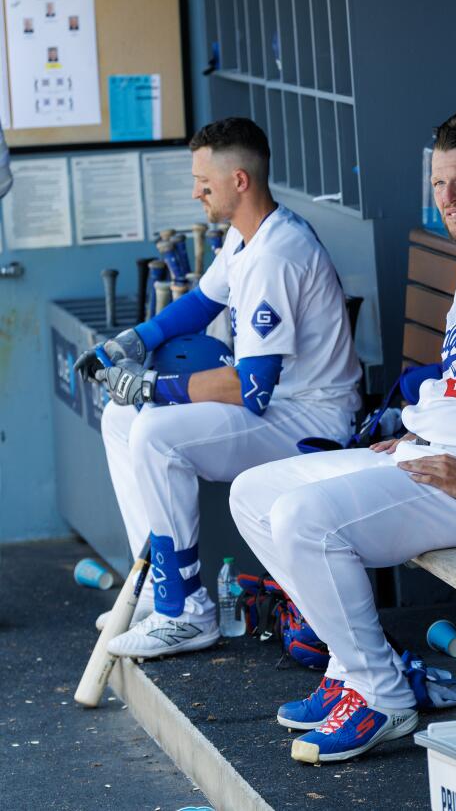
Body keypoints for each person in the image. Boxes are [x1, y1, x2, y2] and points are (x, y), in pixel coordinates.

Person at [228, 110, 456, 765]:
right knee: (254, 493)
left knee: (304, 520)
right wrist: (416, 437)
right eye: (438, 184)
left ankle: (382, 695)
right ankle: (349, 670)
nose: (447, 198)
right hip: (435, 463)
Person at [76, 117, 360, 659]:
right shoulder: (246, 235)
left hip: (312, 421)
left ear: (239, 182)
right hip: (280, 407)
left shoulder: (278, 254)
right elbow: (204, 301)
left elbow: (252, 389)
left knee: (156, 433)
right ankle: (161, 586)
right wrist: (132, 341)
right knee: (120, 420)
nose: (195, 192)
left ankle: (185, 612)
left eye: (204, 182)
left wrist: (154, 385)